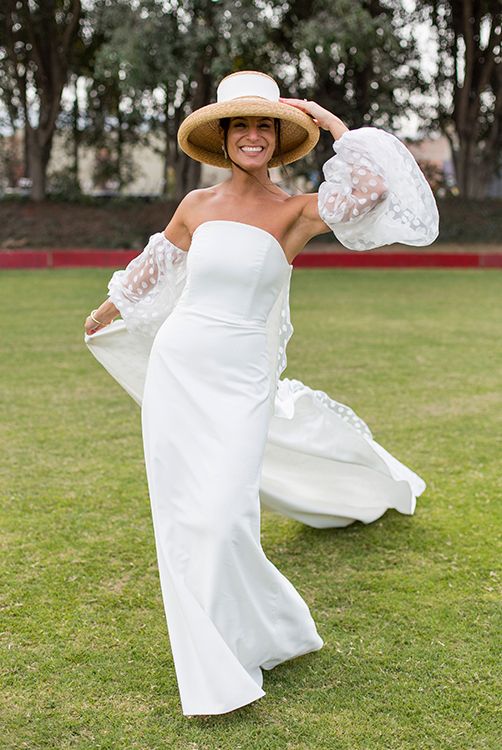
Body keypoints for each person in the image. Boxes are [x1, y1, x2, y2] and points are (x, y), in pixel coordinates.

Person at [84, 70, 439, 717]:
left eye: (265, 125)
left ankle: (269, 630)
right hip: (179, 369)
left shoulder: (295, 212)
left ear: (278, 139)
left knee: (224, 515)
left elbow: (376, 188)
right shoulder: (195, 204)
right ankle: (218, 658)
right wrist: (107, 311)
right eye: (240, 124)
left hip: (242, 380)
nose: (252, 135)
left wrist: (329, 123)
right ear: (223, 138)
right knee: (186, 516)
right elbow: (155, 267)